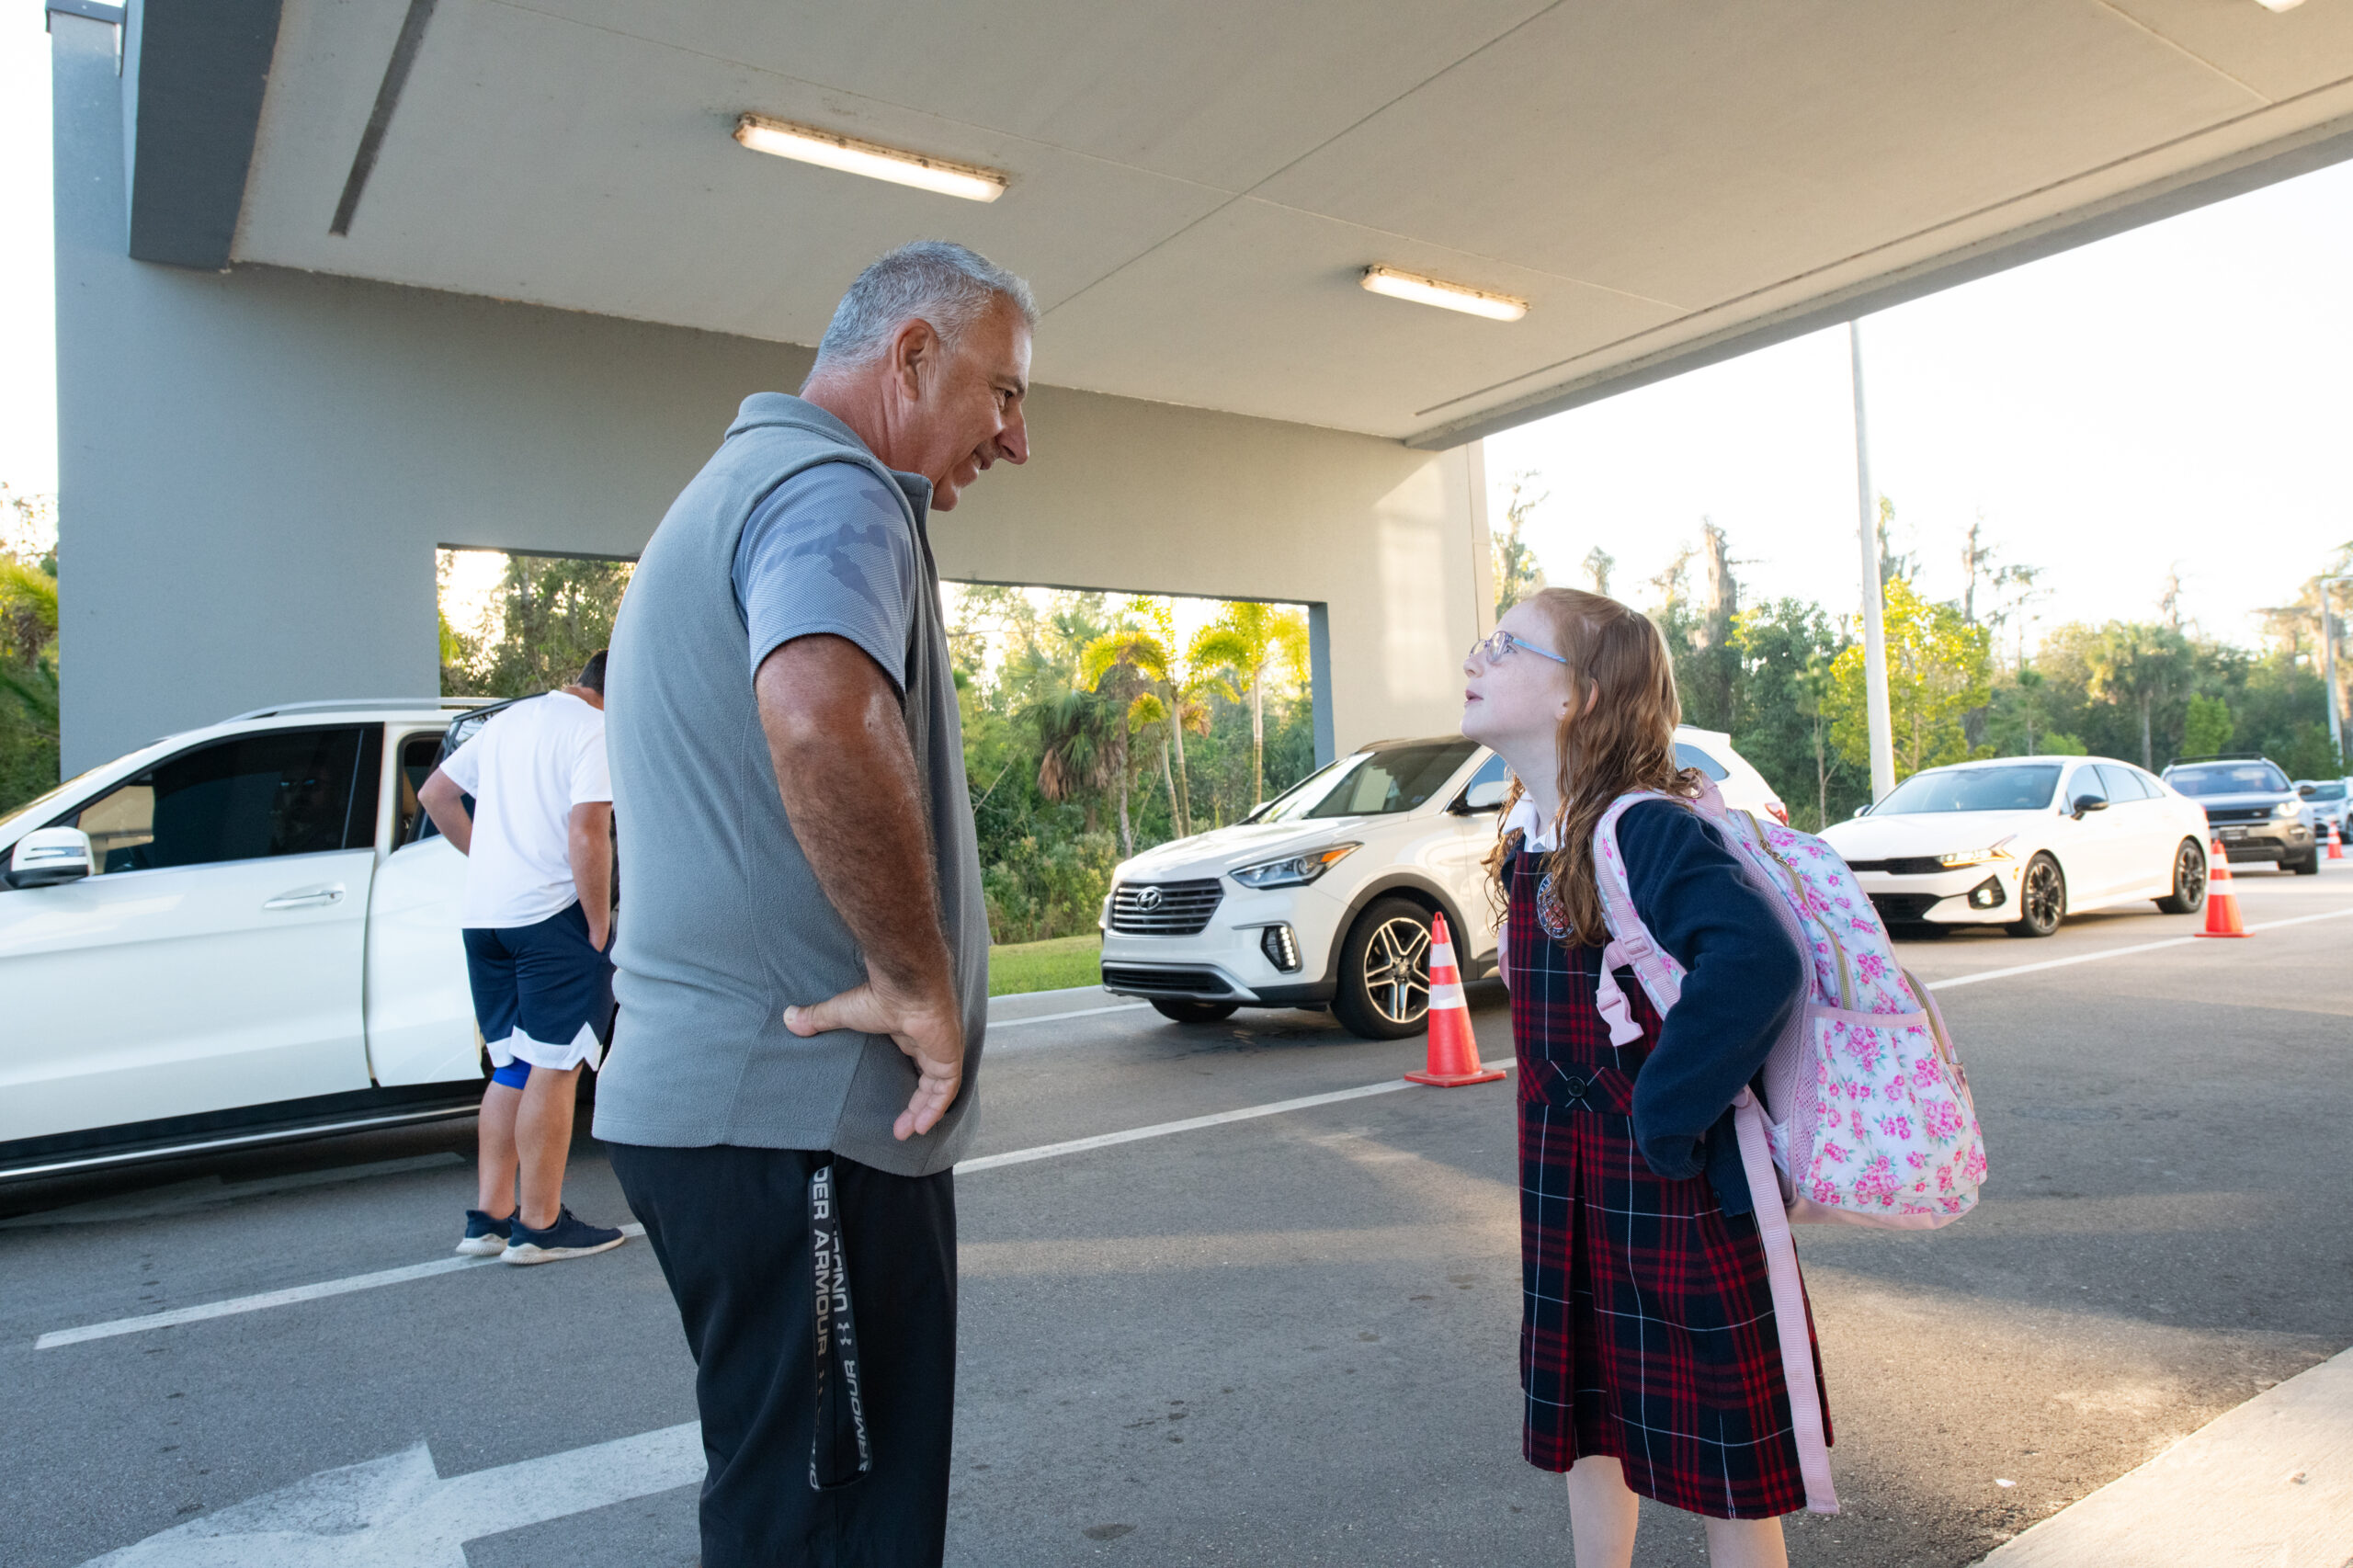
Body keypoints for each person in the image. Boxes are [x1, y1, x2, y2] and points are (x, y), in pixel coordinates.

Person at [595, 241, 1031, 1568]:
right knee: (837, 1534)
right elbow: (821, 715)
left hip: (747, 1126)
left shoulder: (745, 483)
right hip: (800, 1128)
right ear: (911, 356)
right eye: (1005, 393)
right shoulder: (832, 489)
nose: (1016, 439)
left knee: (797, 1510)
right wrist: (915, 978)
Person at [1461, 587, 1824, 1568]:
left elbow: (1755, 962)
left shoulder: (1645, 827)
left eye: (1504, 643)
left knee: (1723, 1456)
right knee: (1592, 1415)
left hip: (1673, 1186)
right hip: (1573, 1188)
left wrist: (1663, 1116)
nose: (1476, 654)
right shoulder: (1536, 836)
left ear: (1575, 695)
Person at [419, 652, 626, 1267]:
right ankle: (539, 1225)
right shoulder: (594, 730)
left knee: (512, 1064)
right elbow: (589, 831)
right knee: (557, 1067)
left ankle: (489, 1218)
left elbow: (436, 794)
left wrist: (491, 863)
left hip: (485, 920)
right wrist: (598, 921)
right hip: (551, 919)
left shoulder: (511, 719)